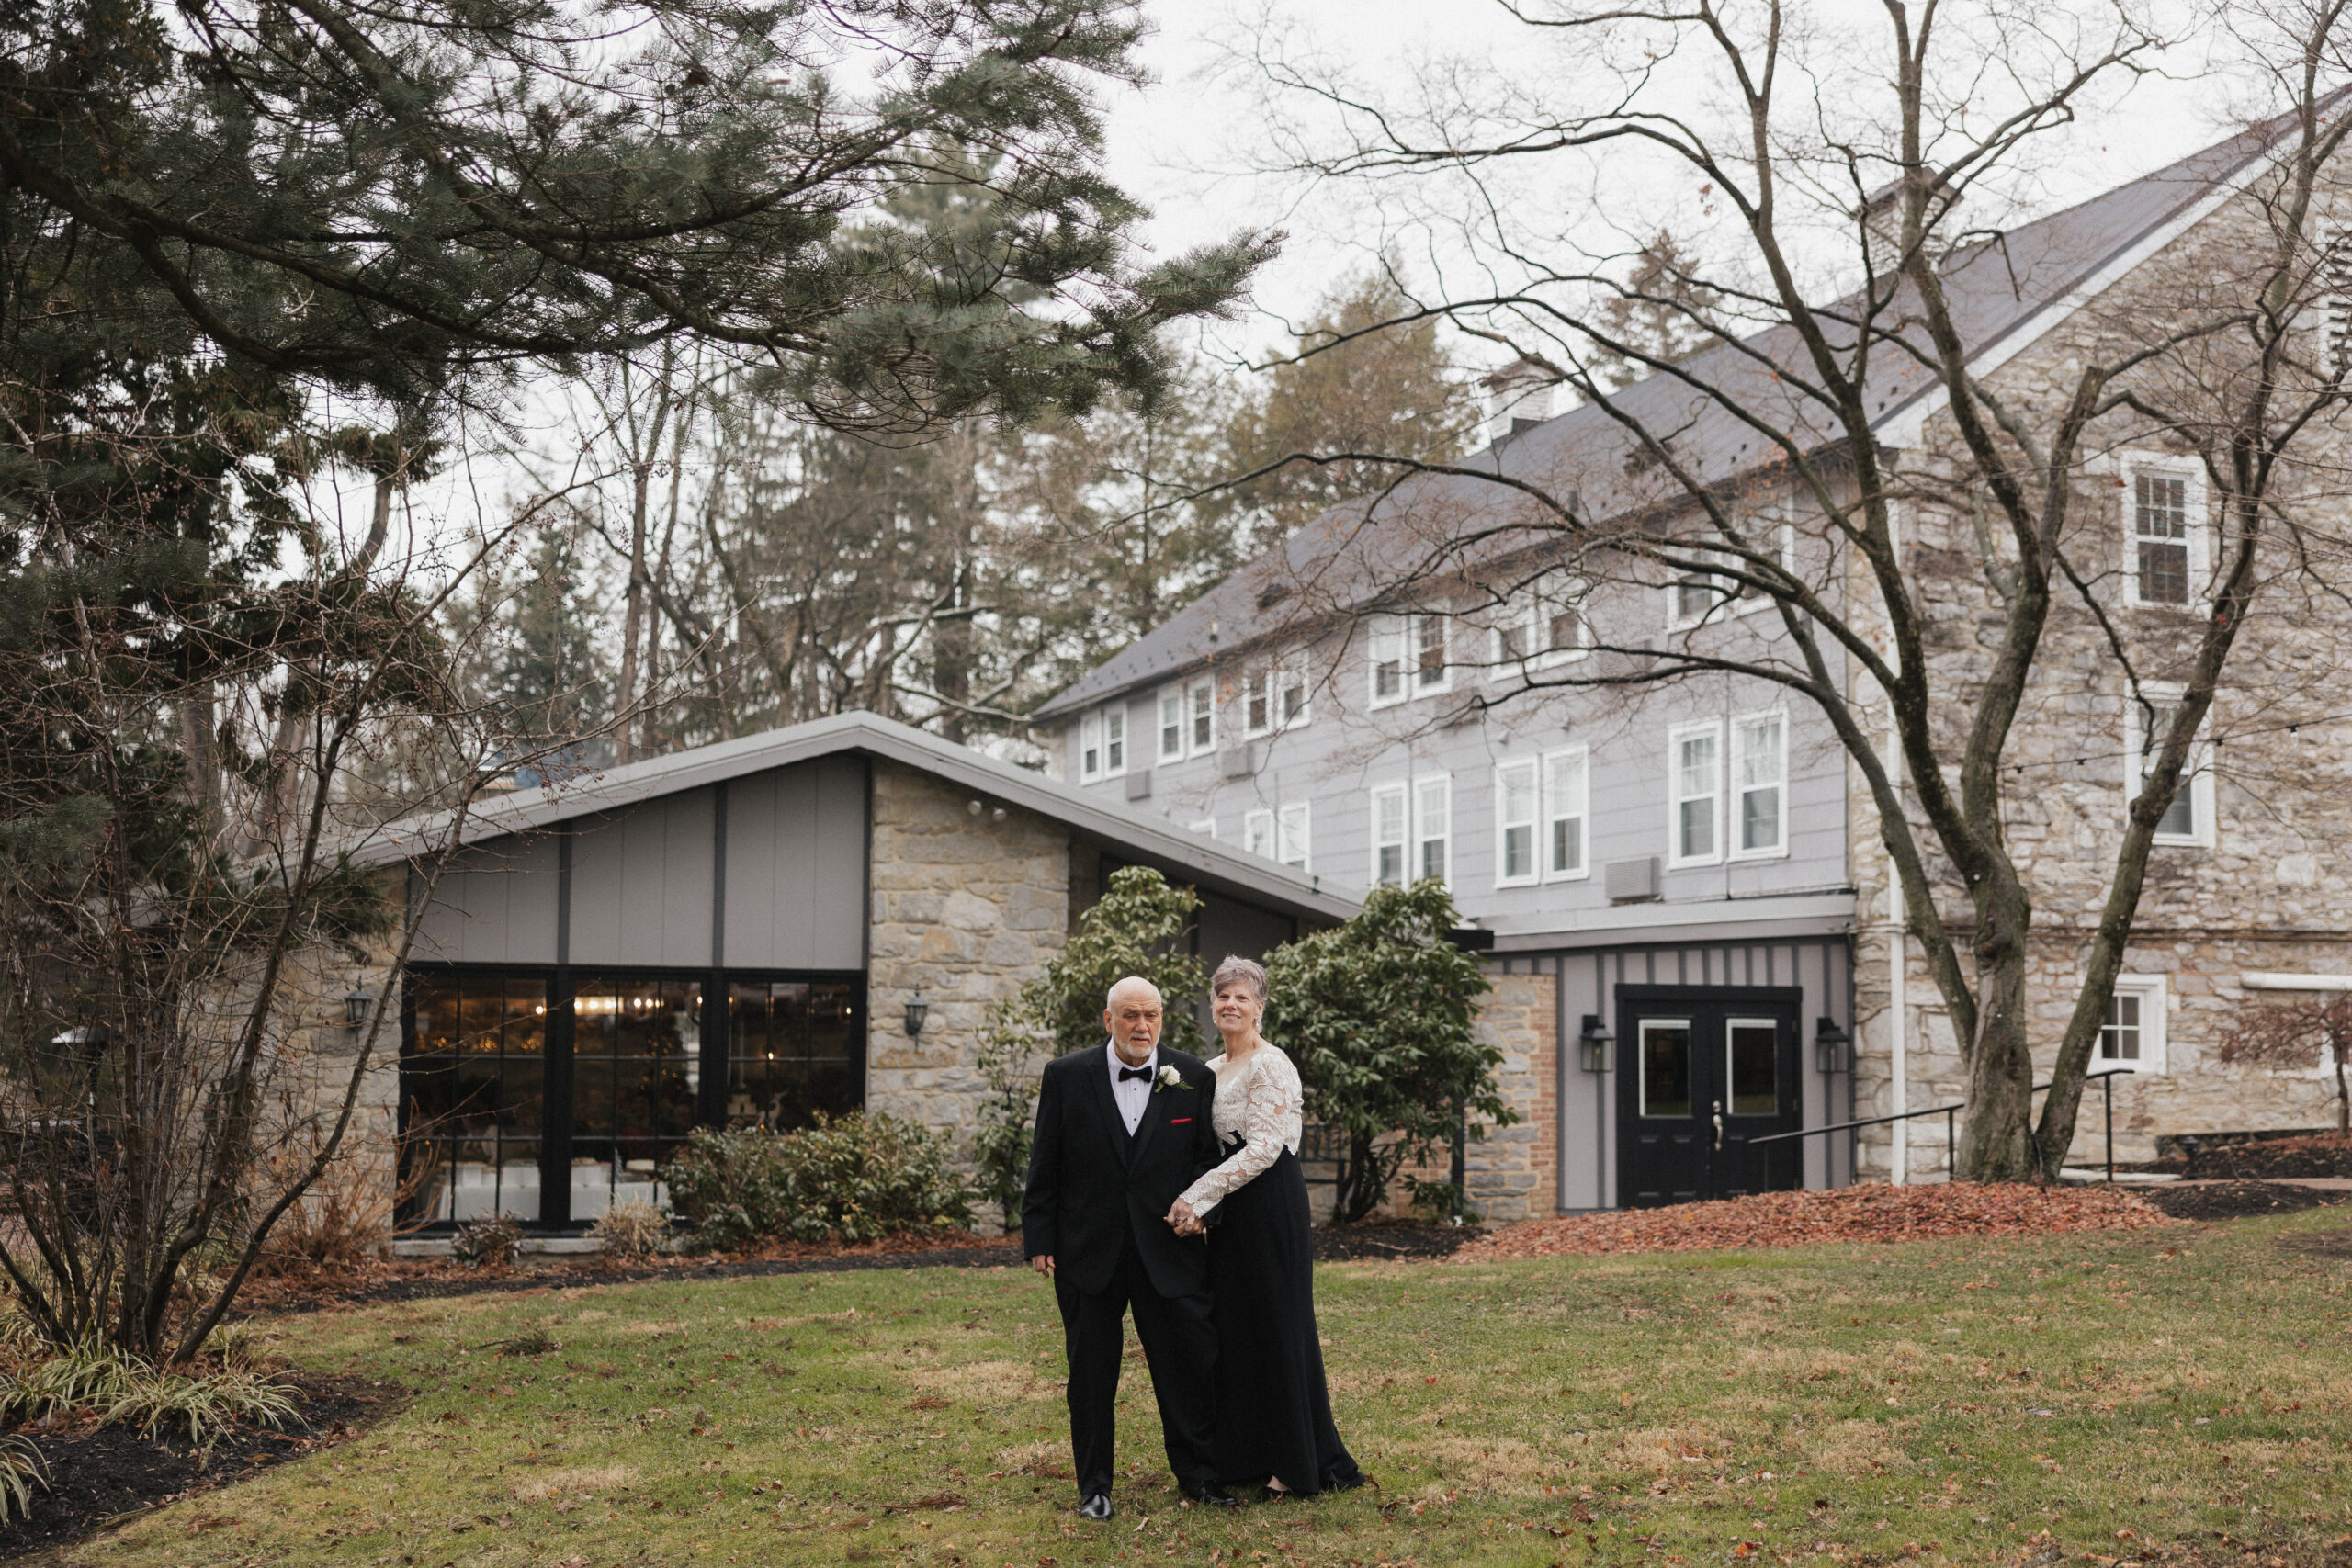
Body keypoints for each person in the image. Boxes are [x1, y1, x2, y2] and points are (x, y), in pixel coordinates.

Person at [1023, 976, 1241, 1519]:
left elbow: (1204, 1163)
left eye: (1151, 1016)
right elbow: (1044, 1162)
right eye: (1130, 1016)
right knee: (1091, 1375)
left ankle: (1198, 1476)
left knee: (1186, 1366)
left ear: (1162, 1018)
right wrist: (1039, 1237)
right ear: (1108, 1020)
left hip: (1168, 1251)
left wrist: (1202, 1210)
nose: (1142, 1026)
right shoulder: (1066, 1076)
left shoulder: (1192, 1076)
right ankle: (1094, 1488)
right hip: (1087, 1250)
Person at [1168, 955, 1366, 1501]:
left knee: (1278, 1326)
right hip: (1231, 1212)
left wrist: (1197, 1197)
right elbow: (1205, 1146)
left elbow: (1262, 1149)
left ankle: (1298, 1463)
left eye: (1242, 997)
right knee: (1237, 1330)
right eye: (1223, 995)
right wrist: (1203, 1206)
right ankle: (1248, 1451)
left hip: (1270, 1204)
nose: (1231, 1004)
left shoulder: (1271, 1064)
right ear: (1213, 1005)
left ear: (1260, 1007)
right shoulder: (1209, 1069)